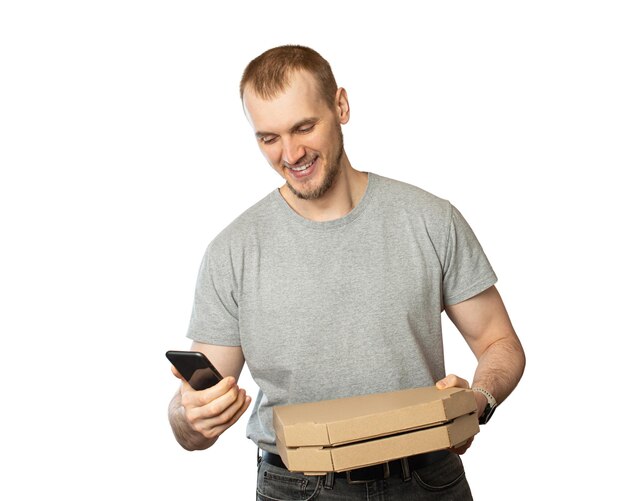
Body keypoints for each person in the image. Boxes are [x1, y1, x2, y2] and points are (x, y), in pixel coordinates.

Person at [168, 45, 525, 500]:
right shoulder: (233, 251)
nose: (291, 153)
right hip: (298, 486)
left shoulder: (430, 220)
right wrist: (190, 419)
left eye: (303, 127)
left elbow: (499, 342)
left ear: (340, 106)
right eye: (269, 137)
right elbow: (194, 414)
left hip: (428, 479)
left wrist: (477, 401)